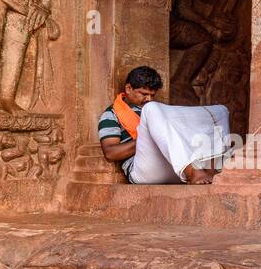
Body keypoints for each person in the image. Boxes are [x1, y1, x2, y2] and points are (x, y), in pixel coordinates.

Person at [98, 65, 230, 185]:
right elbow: (110, 153)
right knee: (151, 109)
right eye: (144, 94)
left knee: (220, 111)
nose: (149, 99)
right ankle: (192, 171)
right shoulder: (111, 115)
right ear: (128, 88)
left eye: (152, 95)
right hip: (143, 170)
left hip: (173, 165)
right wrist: (151, 137)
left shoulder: (155, 110)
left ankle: (212, 171)